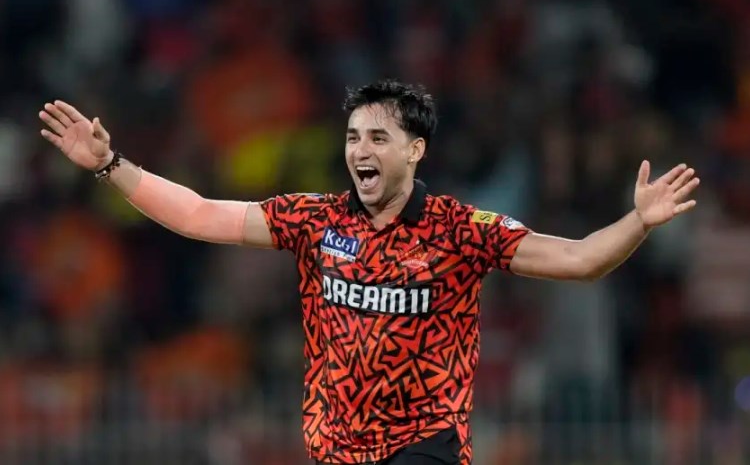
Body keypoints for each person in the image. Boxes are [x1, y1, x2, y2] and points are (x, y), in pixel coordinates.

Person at [38, 80, 700, 465]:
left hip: (425, 446)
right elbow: (197, 214)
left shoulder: (460, 230)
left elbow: (581, 260)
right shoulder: (314, 219)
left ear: (415, 150)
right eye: (354, 136)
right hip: (335, 449)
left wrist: (638, 221)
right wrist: (110, 165)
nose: (361, 149)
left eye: (378, 138)